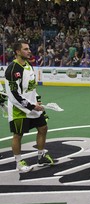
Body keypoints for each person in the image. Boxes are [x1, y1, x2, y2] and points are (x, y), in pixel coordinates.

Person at [4, 40, 55, 172]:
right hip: (18, 109)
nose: (29, 51)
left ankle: (41, 157)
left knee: (43, 128)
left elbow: (31, 89)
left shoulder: (28, 65)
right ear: (17, 52)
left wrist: (37, 101)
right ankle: (19, 163)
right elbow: (13, 95)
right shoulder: (12, 70)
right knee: (18, 135)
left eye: (28, 48)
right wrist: (32, 106)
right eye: (25, 49)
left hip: (33, 107)